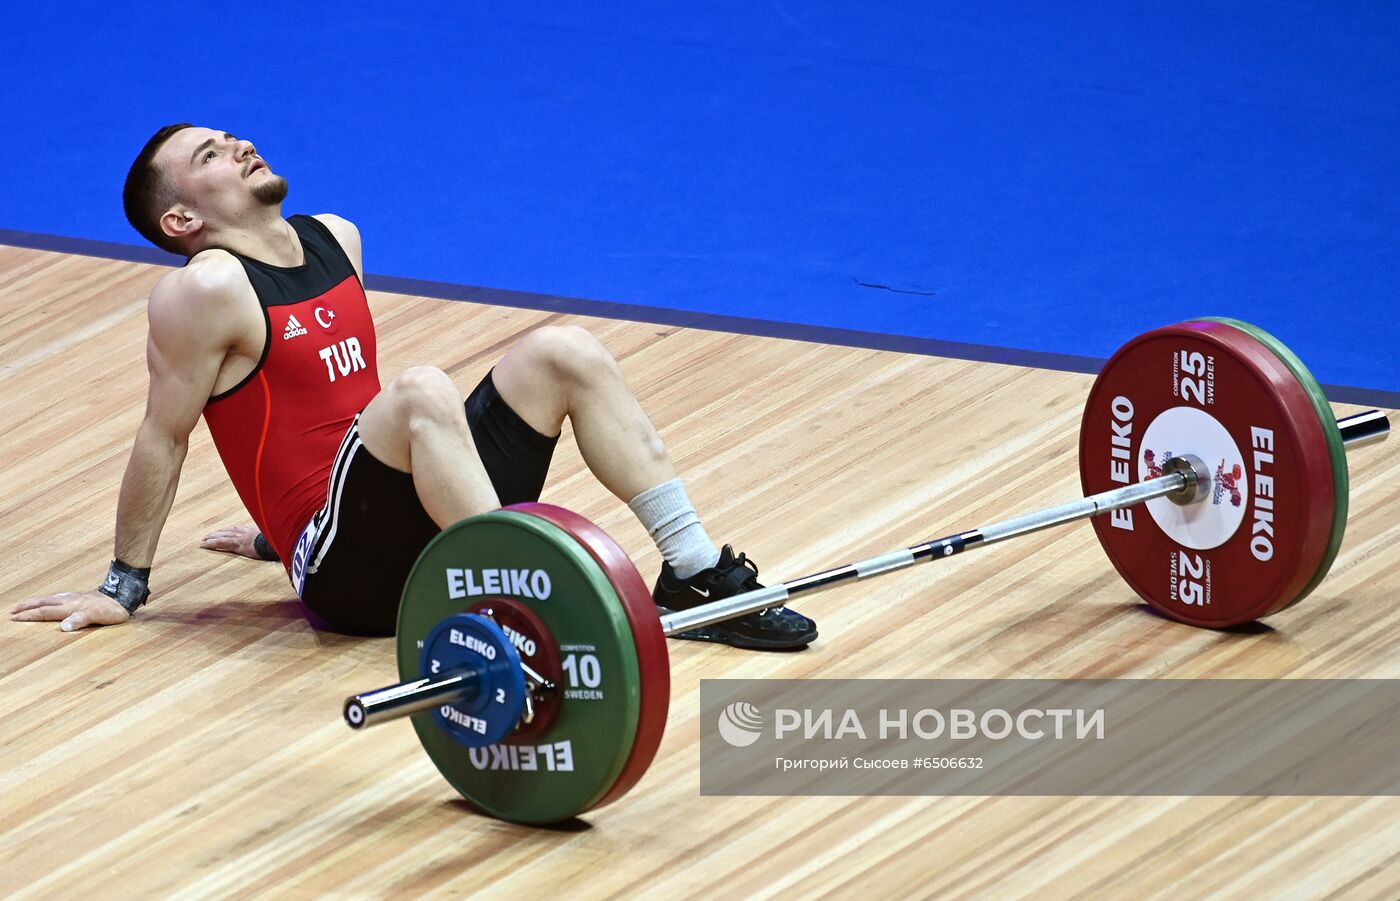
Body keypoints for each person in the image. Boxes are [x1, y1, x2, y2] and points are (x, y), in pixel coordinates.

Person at [11, 124, 816, 651]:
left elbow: (319, 405)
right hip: (343, 579)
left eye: (229, 135)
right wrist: (125, 585)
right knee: (422, 388)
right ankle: (529, 606)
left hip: (398, 520)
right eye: (211, 155)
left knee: (562, 348)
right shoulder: (205, 287)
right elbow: (166, 433)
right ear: (181, 220)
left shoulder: (336, 238)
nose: (240, 143)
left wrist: (264, 527)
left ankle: (694, 569)